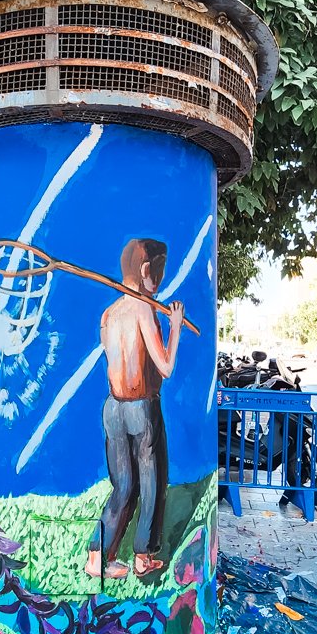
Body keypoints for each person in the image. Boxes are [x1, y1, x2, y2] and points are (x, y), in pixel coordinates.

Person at [85, 239, 185, 580]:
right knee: (151, 481)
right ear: (145, 270)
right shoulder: (144, 309)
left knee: (123, 486)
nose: (160, 279)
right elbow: (165, 367)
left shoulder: (109, 314)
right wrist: (175, 327)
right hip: (142, 407)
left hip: (113, 408)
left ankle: (98, 556)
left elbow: (116, 358)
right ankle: (143, 555)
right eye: (158, 270)